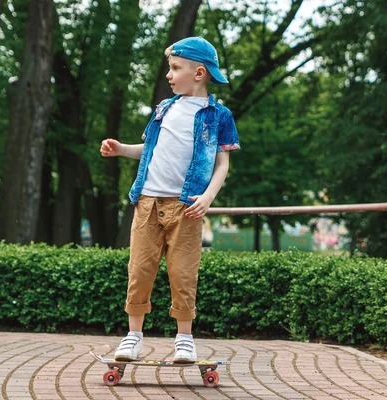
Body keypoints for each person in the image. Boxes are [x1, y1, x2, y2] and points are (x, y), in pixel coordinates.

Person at [99, 36, 240, 362]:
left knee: (183, 273)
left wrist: (207, 196)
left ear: (199, 72)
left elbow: (222, 165)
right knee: (140, 270)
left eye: (175, 68)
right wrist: (121, 150)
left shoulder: (218, 115)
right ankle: (133, 336)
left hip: (186, 207)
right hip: (147, 203)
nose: (169, 75)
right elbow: (147, 150)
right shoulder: (165, 109)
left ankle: (184, 340)